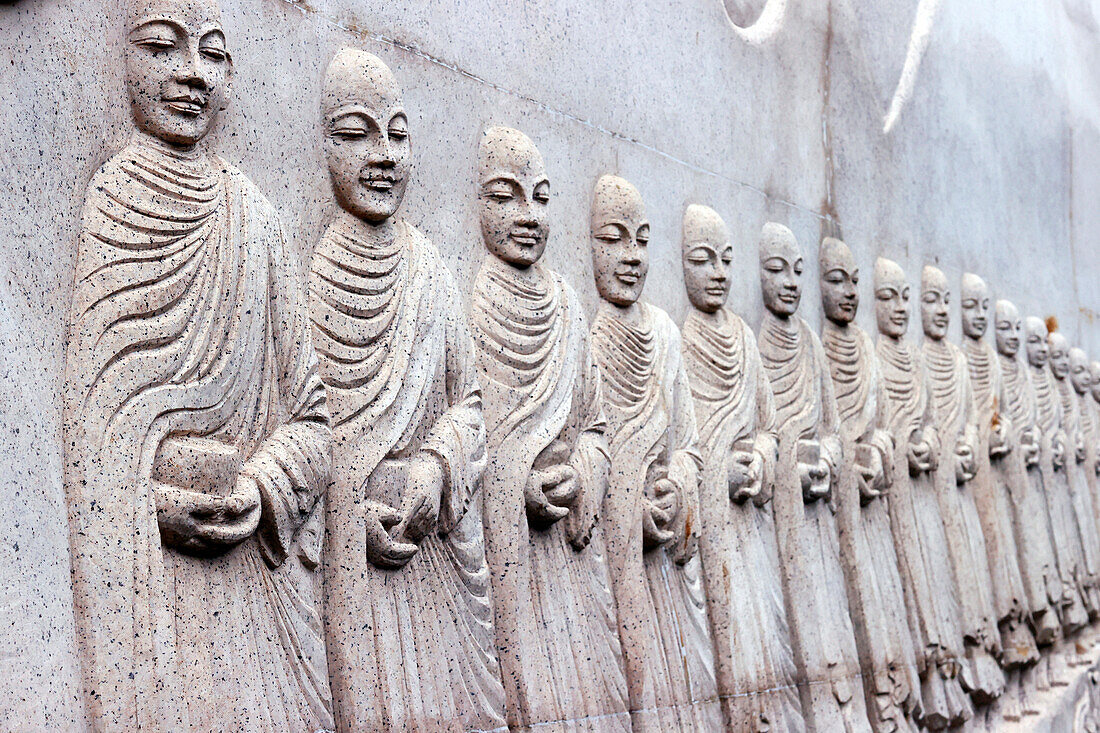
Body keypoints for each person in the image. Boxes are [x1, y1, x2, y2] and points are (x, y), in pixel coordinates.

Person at [63, 1, 332, 729]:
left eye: (212, 54)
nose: (192, 74)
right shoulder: (109, 203)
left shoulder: (259, 219)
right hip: (154, 604)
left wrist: (260, 487)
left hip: (259, 598)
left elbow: (314, 419)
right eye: (163, 48)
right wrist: (146, 502)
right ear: (124, 60)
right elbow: (86, 433)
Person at [309, 49, 506, 732]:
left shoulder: (432, 271)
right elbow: (306, 427)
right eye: (357, 133)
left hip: (441, 546)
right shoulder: (312, 279)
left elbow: (471, 407)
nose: (383, 155)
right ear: (323, 145)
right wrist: (347, 510)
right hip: (361, 558)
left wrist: (435, 465)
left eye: (397, 133)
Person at [470, 127, 630, 731]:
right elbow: (468, 431)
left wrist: (583, 470)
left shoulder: (566, 302)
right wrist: (517, 484)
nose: (528, 215)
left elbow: (596, 425)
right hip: (514, 556)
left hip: (571, 553)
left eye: (540, 197)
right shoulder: (474, 301)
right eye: (506, 196)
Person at [588, 175, 719, 731]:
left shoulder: (665, 333)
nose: (631, 256)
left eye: (642, 240)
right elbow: (581, 446)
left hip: (667, 550)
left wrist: (677, 487)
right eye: (614, 239)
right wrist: (624, 508)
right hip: (619, 556)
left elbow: (690, 446)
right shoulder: (585, 334)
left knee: (683, 691)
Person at [680, 204, 804, 732]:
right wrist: (716, 470)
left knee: (767, 638)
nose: (719, 274)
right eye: (703, 261)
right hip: (713, 532)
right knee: (727, 635)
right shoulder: (681, 341)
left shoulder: (746, 341)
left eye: (727, 261)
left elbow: (770, 427)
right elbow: (680, 442)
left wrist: (761, 457)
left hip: (750, 528)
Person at [755, 223, 870, 732]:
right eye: (776, 269)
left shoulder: (812, 346)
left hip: (820, 519)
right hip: (782, 523)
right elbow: (755, 429)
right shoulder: (752, 343)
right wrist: (780, 463)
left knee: (833, 629)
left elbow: (835, 429)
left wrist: (826, 455)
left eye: (798, 271)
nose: (791, 282)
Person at [819, 238, 920, 732]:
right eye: (836, 279)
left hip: (876, 504)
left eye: (855, 281)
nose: (849, 291)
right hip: (827, 515)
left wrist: (880, 449)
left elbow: (882, 423)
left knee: (885, 605)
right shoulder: (815, 345)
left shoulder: (864, 349)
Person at [873, 258, 972, 730]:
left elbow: (936, 422)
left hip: (929, 503)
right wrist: (893, 447)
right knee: (912, 598)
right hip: (894, 506)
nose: (900, 307)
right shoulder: (871, 355)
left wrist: (932, 442)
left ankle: (950, 692)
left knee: (939, 588)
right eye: (887, 296)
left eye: (905, 296)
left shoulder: (920, 361)